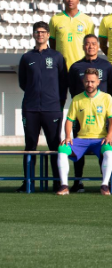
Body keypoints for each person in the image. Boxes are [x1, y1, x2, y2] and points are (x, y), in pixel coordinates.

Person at [18, 21, 67, 192]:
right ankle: (28, 182)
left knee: (54, 145)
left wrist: (57, 102)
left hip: (52, 108)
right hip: (30, 108)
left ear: (48, 35)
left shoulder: (57, 57)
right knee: (30, 145)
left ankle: (57, 182)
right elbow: (23, 83)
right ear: (33, 34)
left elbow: (63, 83)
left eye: (43, 32)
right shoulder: (27, 57)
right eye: (37, 32)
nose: (40, 34)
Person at [56, 68, 112, 196]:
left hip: (100, 139)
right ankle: (64, 186)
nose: (90, 84)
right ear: (83, 82)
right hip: (81, 139)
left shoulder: (106, 98)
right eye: (87, 81)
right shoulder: (77, 99)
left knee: (109, 150)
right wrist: (68, 136)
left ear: (98, 82)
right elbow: (69, 120)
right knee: (62, 149)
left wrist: (109, 136)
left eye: (92, 81)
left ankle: (104, 185)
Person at [67, 34, 112, 192]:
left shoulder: (106, 66)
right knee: (77, 148)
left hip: (101, 113)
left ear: (98, 46)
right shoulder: (76, 67)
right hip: (81, 113)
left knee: (103, 147)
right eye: (87, 44)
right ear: (83, 46)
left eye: (94, 43)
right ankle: (78, 181)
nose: (91, 46)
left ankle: (105, 182)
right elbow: (72, 89)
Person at [49, 0, 94, 69]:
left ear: (78, 0)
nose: (70, 0)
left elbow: (90, 43)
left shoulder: (87, 20)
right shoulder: (55, 19)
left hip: (81, 65)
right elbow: (52, 42)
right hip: (61, 65)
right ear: (63, 0)